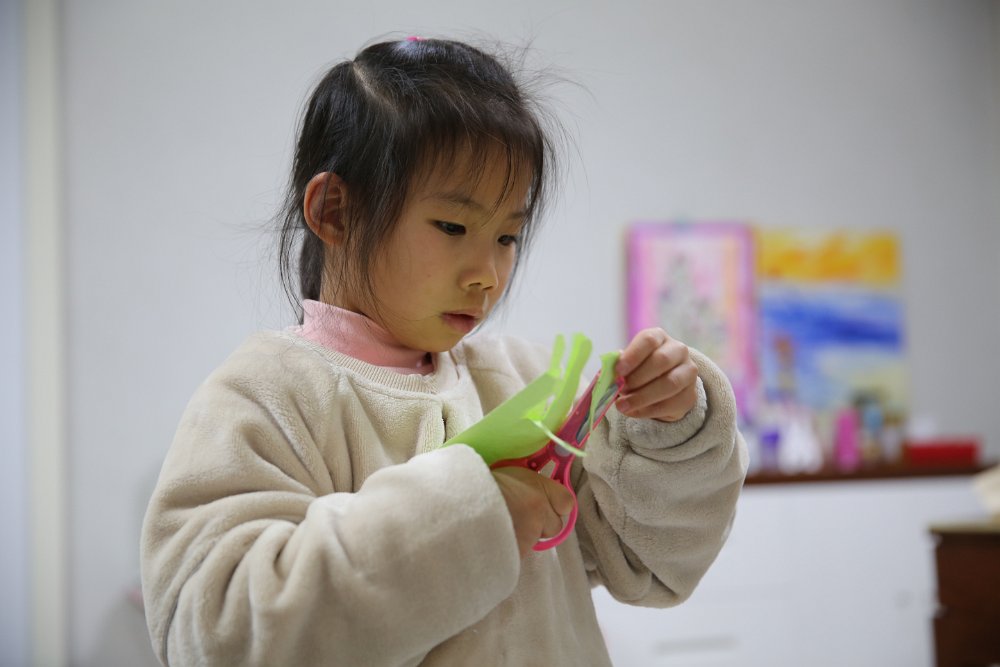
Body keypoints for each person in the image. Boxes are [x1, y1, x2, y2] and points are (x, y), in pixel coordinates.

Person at [140, 36, 747, 666]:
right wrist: (466, 519)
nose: (488, 273)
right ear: (335, 211)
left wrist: (670, 432)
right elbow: (218, 636)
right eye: (453, 227)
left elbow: (651, 564)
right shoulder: (264, 397)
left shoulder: (522, 378)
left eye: (508, 236)